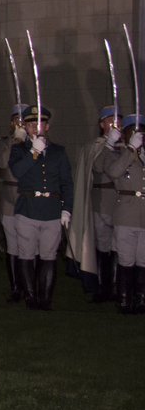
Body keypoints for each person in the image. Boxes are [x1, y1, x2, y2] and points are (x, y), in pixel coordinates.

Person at [8, 105, 73, 311]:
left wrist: (67, 208)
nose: (36, 128)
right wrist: (33, 152)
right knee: (26, 254)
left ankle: (45, 299)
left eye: (40, 124)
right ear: (25, 128)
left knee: (48, 255)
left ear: (47, 126)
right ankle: (30, 297)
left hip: (51, 209)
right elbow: (17, 171)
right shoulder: (19, 150)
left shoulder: (58, 152)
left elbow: (66, 183)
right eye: (30, 124)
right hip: (28, 208)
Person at [101, 113, 145, 313]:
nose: (139, 136)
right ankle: (124, 299)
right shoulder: (117, 153)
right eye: (133, 132)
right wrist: (130, 150)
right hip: (126, 212)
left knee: (142, 259)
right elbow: (114, 172)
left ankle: (141, 299)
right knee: (126, 259)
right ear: (125, 135)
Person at [79, 106, 123, 303]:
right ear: (102, 124)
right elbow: (97, 166)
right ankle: (102, 286)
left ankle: (116, 286)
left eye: (118, 121)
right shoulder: (95, 146)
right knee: (102, 246)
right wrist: (108, 146)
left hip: (121, 201)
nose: (116, 125)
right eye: (111, 121)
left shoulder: (127, 146)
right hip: (102, 200)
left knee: (120, 246)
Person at [0, 105, 29, 302]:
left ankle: (30, 285)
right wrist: (16, 141)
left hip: (29, 195)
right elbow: (3, 163)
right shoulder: (3, 143)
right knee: (13, 244)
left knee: (31, 244)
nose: (20, 124)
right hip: (10, 197)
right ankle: (16, 287)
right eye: (16, 120)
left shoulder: (35, 143)